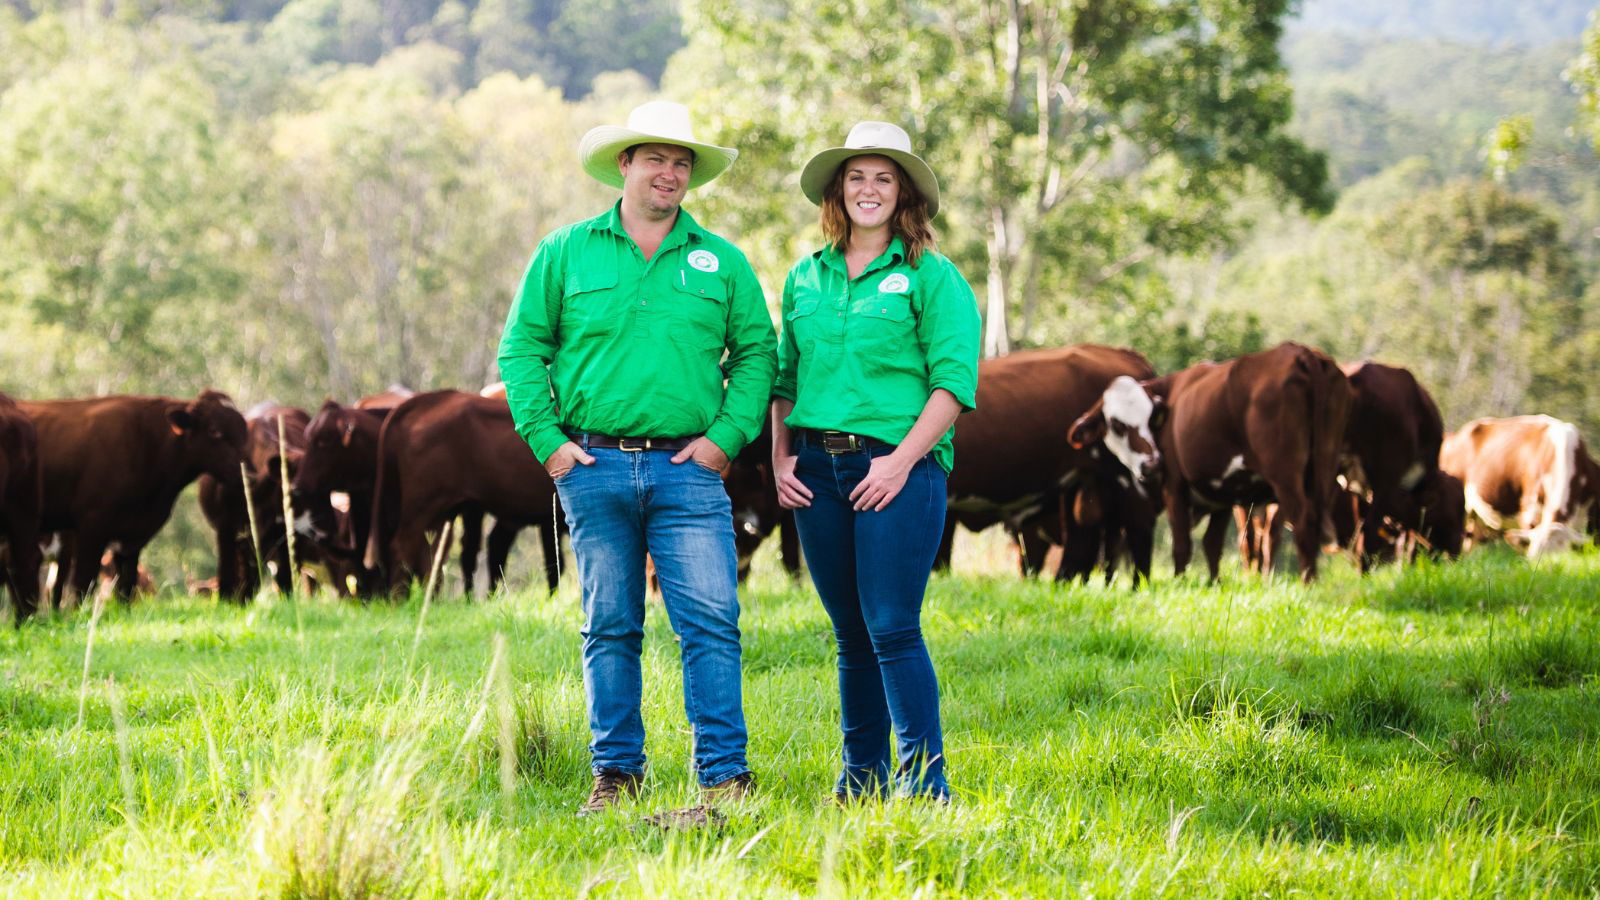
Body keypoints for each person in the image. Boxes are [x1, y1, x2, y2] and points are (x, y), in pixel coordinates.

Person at [498, 101, 777, 815]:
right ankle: (616, 775)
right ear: (624, 164)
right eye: (656, 158)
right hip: (593, 469)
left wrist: (723, 441)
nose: (671, 172)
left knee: (710, 621)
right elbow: (522, 351)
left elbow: (757, 356)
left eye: (682, 162)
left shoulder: (722, 262)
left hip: (690, 472)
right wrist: (550, 446)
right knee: (610, 624)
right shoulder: (566, 252)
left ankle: (724, 776)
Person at [770, 121, 981, 802]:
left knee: (891, 624)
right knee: (850, 634)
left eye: (883, 178)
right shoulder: (805, 277)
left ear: (904, 194)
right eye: (857, 177)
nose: (869, 190)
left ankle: (925, 787)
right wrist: (780, 459)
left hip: (900, 470)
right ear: (838, 191)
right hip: (817, 473)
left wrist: (897, 465)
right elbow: (784, 379)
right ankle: (860, 781)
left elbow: (954, 385)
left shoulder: (931, 276)